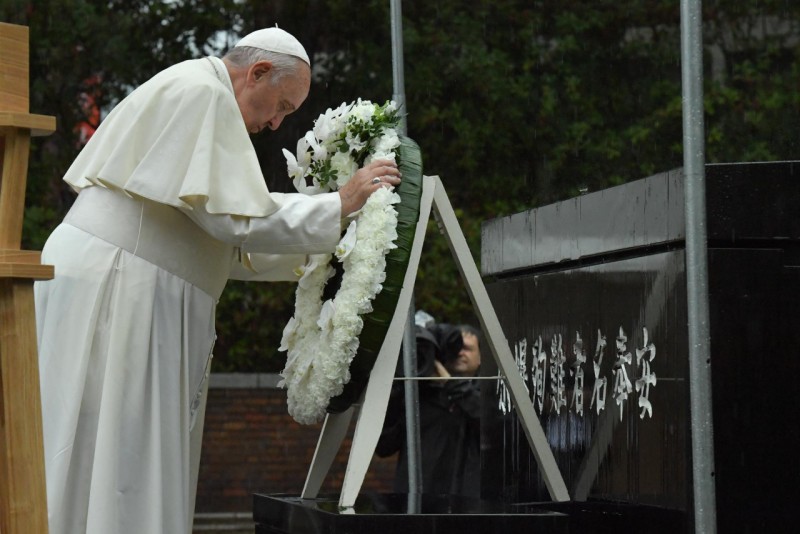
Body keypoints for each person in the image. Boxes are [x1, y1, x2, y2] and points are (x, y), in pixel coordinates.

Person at [33, 27, 401, 534]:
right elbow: (235, 222)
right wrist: (337, 205)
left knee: (112, 455)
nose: (276, 123)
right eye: (282, 106)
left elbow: (222, 245)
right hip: (118, 285)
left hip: (129, 280)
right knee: (112, 455)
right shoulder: (201, 93)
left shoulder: (202, 93)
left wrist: (327, 241)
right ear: (258, 72)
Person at [376, 322, 483, 498]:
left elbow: (490, 426)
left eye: (467, 349)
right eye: (456, 347)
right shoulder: (417, 395)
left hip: (465, 501)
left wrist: (451, 384)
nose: (459, 353)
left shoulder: (487, 396)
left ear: (480, 358)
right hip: (418, 500)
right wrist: (399, 389)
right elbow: (384, 447)